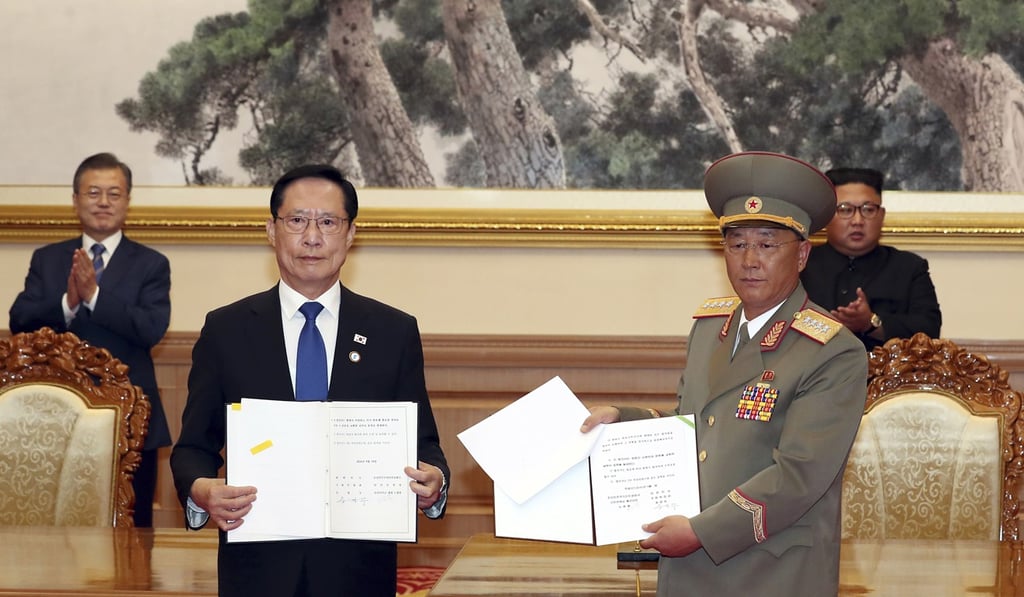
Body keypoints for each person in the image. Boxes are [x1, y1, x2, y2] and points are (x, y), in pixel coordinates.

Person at [581, 152, 868, 596]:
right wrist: (623, 419)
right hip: (690, 565)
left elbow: (798, 476)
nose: (750, 259)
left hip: (771, 571)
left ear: (804, 254)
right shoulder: (710, 328)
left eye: (768, 244)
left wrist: (700, 531)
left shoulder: (833, 352)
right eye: (736, 244)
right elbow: (694, 423)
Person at [170, 164, 449, 597]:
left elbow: (423, 443)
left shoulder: (393, 330)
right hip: (257, 564)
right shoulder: (226, 329)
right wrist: (202, 490)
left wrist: (436, 482)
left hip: (358, 566)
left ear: (351, 234)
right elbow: (192, 448)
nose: (312, 237)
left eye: (328, 222)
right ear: (271, 230)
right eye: (297, 220)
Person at [9, 152, 172, 528]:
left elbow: (150, 329)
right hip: (51, 420)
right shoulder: (47, 259)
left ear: (128, 201)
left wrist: (95, 295)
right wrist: (68, 301)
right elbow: (19, 321)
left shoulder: (151, 264)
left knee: (132, 531)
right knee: (51, 527)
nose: (103, 202)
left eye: (114, 194)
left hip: (130, 422)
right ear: (75, 199)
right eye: (93, 192)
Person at [801, 167, 942, 351]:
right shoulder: (799, 265)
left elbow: (929, 330)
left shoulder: (909, 268)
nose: (857, 220)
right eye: (845, 209)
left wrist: (872, 323)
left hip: (887, 377)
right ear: (827, 216)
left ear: (882, 215)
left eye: (868, 209)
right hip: (813, 375)